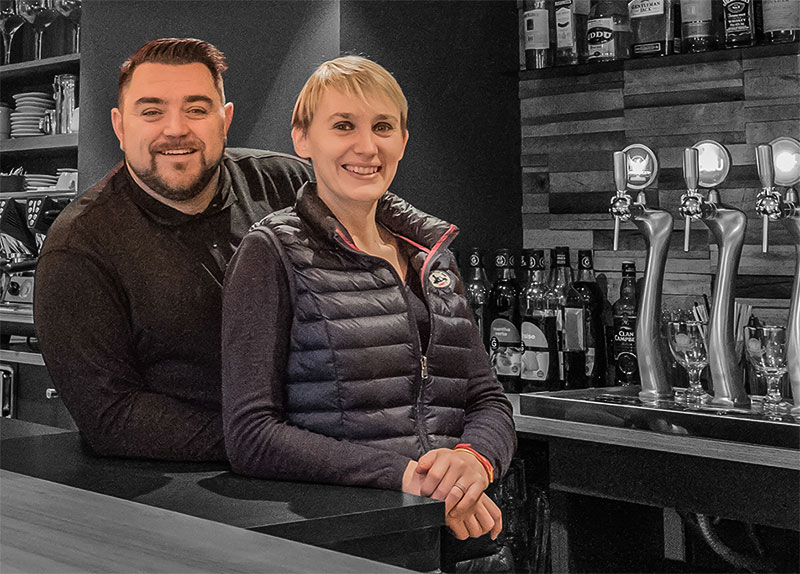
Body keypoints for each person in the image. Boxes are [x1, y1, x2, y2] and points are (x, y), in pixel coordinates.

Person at [221, 56, 516, 541]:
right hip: (341, 539)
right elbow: (251, 435)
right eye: (343, 126)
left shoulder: (431, 254)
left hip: (452, 537)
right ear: (302, 138)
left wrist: (473, 461)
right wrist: (407, 478)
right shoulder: (270, 250)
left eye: (383, 126)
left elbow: (486, 399)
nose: (366, 146)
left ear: (402, 139)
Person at [33, 38, 312, 461]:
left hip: (328, 463)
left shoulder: (288, 183)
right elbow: (113, 417)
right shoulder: (78, 248)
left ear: (225, 119)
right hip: (173, 497)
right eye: (151, 111)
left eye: (197, 110)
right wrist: (282, 445)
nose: (176, 129)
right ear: (120, 126)